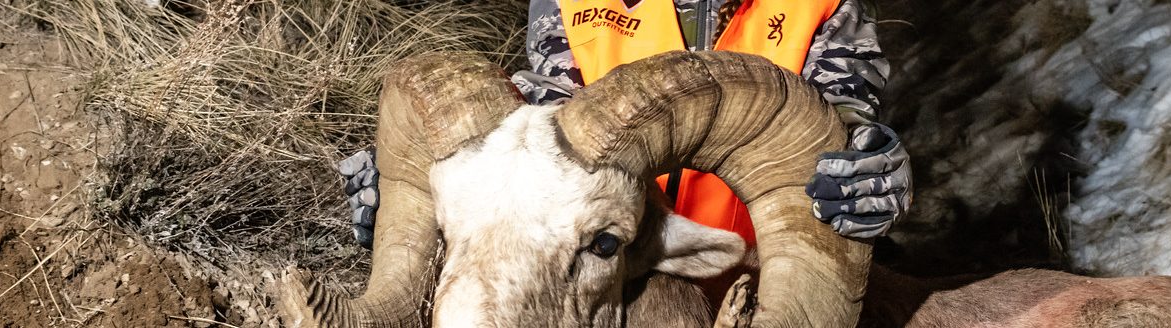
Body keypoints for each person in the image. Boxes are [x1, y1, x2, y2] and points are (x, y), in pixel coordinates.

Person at [340, 0, 910, 250]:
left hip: (761, 287)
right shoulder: (573, 0)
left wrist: (868, 172)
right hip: (614, 281)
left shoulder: (824, 2)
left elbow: (842, 120)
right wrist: (424, 189)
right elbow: (541, 130)